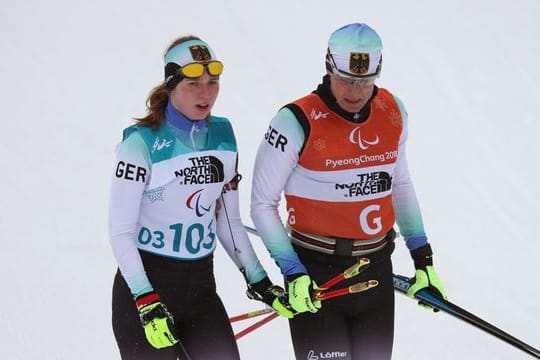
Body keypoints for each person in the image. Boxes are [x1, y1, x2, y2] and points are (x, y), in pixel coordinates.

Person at [250, 23, 447, 360]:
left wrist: (423, 259)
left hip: (374, 269)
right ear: (328, 68)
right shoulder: (295, 120)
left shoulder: (392, 111)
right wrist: (292, 272)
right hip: (316, 271)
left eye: (364, 82)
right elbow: (262, 205)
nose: (354, 92)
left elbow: (399, 184)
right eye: (345, 79)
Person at [108, 35, 289, 360]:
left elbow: (228, 222)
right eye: (194, 83)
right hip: (147, 287)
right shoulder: (140, 145)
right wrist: (145, 299)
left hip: (200, 291)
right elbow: (121, 232)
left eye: (213, 82)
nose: (206, 93)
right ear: (171, 84)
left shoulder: (223, 136)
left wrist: (261, 282)